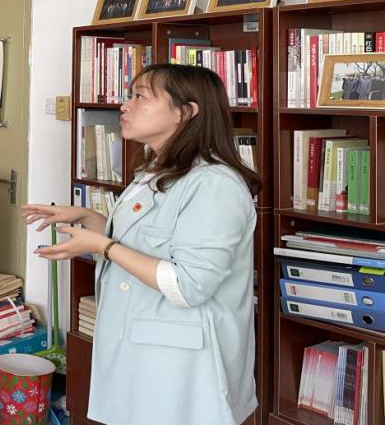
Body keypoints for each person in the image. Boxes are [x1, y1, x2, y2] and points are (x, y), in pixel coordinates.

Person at [23, 63, 261, 425]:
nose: (125, 105)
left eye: (140, 96)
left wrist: (102, 246)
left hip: (185, 364)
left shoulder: (214, 184)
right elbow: (142, 244)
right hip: (145, 350)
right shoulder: (155, 171)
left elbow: (188, 284)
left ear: (185, 112)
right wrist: (87, 217)